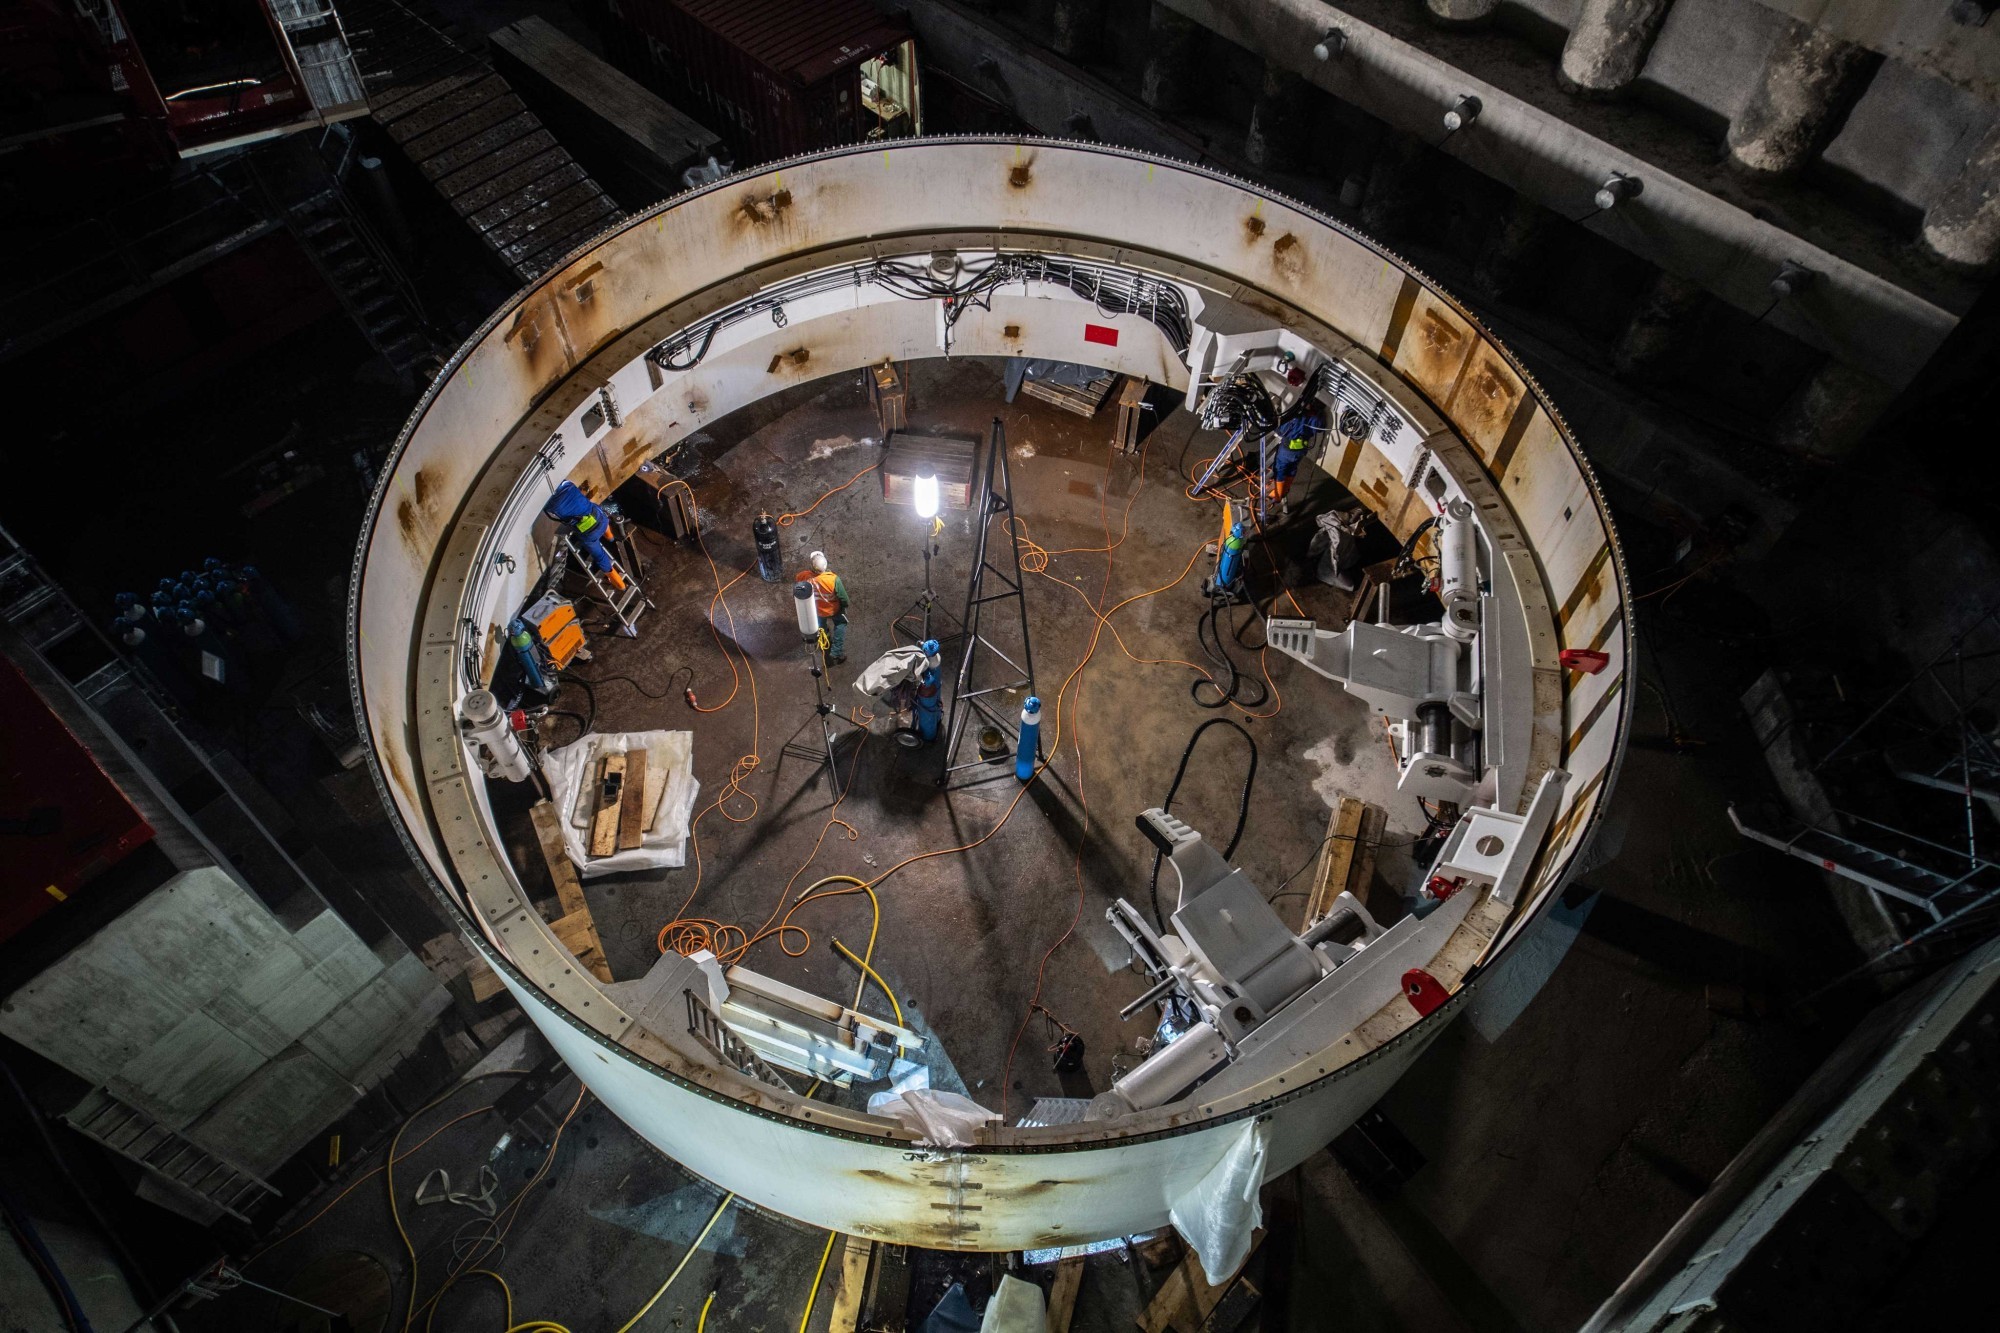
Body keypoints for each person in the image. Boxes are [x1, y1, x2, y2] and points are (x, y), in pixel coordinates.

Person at [543, 481, 628, 590]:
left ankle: (616, 578)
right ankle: (610, 538)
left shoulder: (550, 504)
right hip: (596, 521)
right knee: (600, 551)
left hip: (589, 531)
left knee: (600, 553)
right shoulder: (567, 485)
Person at [1267, 395, 1328, 513]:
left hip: (1287, 450)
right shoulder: (1315, 419)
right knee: (1292, 469)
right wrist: (1319, 413)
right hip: (1300, 451)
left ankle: (1277, 495)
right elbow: (1320, 428)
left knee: (1280, 470)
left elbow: (1281, 430)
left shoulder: (1296, 418)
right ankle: (1284, 490)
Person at [797, 551, 851, 663]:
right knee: (841, 624)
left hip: (816, 610)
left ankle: (825, 641)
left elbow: (798, 582)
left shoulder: (804, 576)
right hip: (833, 609)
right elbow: (843, 598)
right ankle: (836, 652)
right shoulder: (833, 579)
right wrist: (844, 606)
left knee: (820, 627)